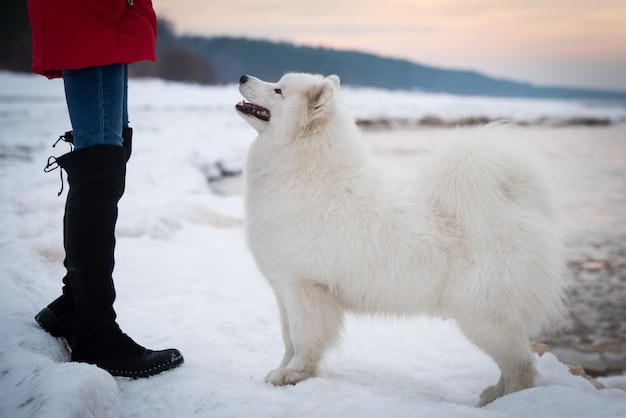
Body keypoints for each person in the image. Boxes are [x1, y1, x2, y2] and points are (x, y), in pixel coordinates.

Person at [27, 0, 184, 377]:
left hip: (105, 16)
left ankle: (73, 305)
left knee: (109, 151)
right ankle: (96, 335)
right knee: (98, 163)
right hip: (89, 14)